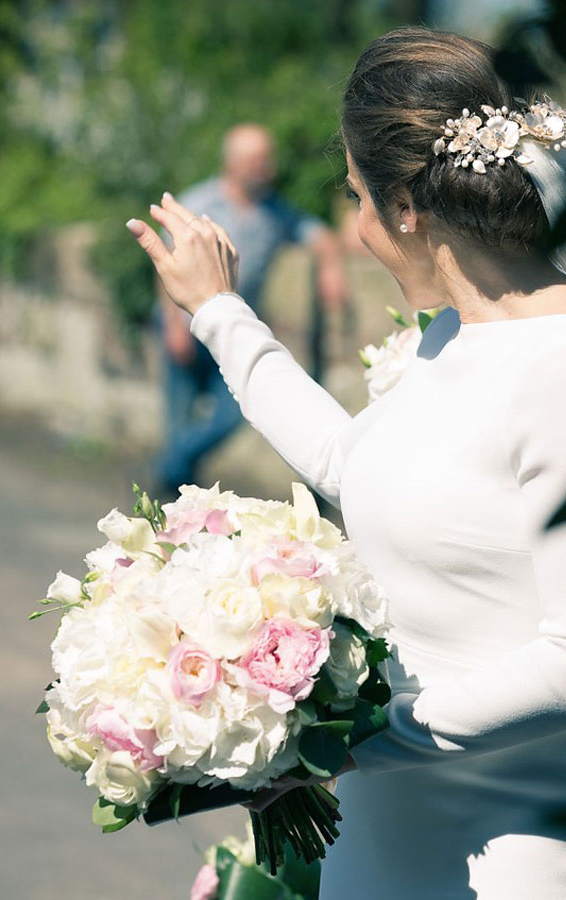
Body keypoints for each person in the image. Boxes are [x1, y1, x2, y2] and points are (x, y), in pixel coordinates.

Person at [126, 26, 566, 899]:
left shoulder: (554, 369)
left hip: (506, 864)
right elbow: (350, 461)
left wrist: (338, 742)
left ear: (407, 205)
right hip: (375, 852)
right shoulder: (455, 334)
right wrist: (220, 312)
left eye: (359, 197)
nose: (356, 226)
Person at [155, 123, 348, 496]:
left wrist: (330, 267)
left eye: (266, 158)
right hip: (186, 323)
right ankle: (175, 502)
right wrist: (172, 325)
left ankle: (168, 470)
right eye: (254, 159)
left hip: (230, 327)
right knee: (179, 417)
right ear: (232, 162)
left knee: (233, 414)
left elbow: (321, 236)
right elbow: (166, 266)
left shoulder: (275, 213)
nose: (264, 167)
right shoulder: (198, 204)